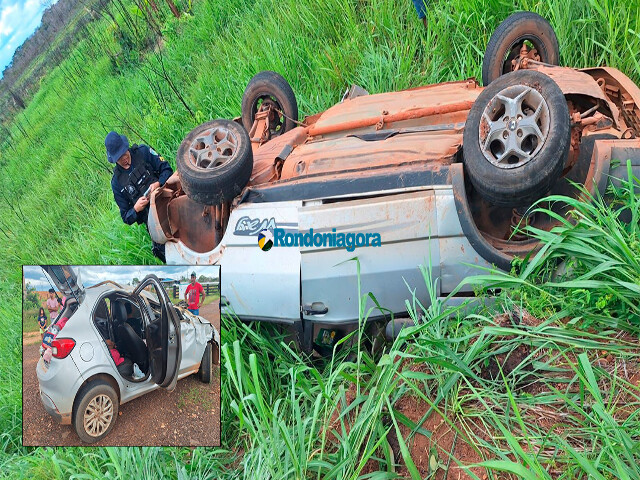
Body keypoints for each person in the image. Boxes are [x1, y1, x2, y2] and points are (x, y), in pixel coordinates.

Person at [106, 131, 174, 263]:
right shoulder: (117, 183)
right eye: (119, 158)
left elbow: (167, 169)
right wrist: (136, 209)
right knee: (169, 256)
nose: (124, 159)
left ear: (127, 147)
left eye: (124, 154)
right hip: (152, 220)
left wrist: (159, 183)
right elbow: (126, 216)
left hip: (168, 200)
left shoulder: (143, 152)